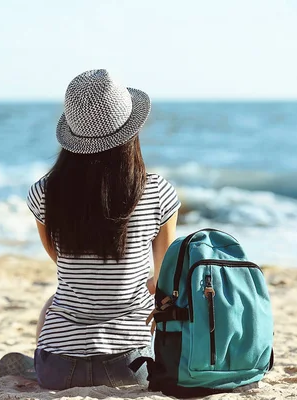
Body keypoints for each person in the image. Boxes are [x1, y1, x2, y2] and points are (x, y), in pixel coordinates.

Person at [26, 69, 180, 389]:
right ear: (130, 132)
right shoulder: (157, 191)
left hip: (57, 370)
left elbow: (62, 261)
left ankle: (41, 363)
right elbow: (162, 281)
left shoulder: (44, 192)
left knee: (58, 296)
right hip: (130, 366)